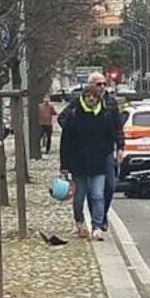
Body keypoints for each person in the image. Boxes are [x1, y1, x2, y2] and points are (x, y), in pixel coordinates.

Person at [59, 72, 124, 221]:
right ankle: (98, 221)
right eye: (98, 84)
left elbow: (117, 126)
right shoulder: (78, 103)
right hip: (84, 153)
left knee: (109, 186)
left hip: (105, 150)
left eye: (104, 84)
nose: (102, 87)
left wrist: (120, 146)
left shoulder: (110, 102)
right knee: (91, 191)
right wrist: (77, 134)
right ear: (90, 86)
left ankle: (101, 215)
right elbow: (64, 119)